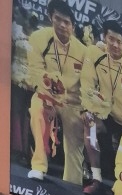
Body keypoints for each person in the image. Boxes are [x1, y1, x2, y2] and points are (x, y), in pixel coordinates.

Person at [80, 19, 122, 192]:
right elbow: (87, 83)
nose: (115, 45)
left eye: (119, 42)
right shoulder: (96, 56)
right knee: (89, 124)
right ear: (104, 38)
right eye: (111, 40)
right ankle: (96, 177)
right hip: (104, 114)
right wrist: (87, 109)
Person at [27, 0, 86, 185]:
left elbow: (87, 85)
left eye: (66, 22)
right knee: (37, 109)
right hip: (46, 96)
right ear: (50, 18)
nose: (62, 25)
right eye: (58, 19)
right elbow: (35, 71)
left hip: (72, 102)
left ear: (73, 26)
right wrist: (48, 98)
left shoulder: (83, 52)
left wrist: (86, 110)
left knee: (76, 137)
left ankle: (73, 182)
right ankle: (38, 166)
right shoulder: (38, 38)